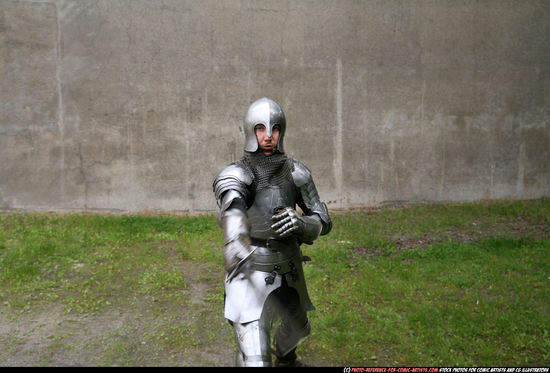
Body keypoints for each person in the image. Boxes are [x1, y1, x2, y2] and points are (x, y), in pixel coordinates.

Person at [212, 97, 332, 367]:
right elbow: (233, 208)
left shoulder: (296, 172)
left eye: (275, 128)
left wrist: (302, 225)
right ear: (249, 131)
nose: (268, 136)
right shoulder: (237, 174)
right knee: (255, 358)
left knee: (299, 329)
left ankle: (286, 358)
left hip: (288, 267)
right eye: (260, 128)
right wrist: (235, 241)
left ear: (282, 130)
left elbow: (323, 219)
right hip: (251, 267)